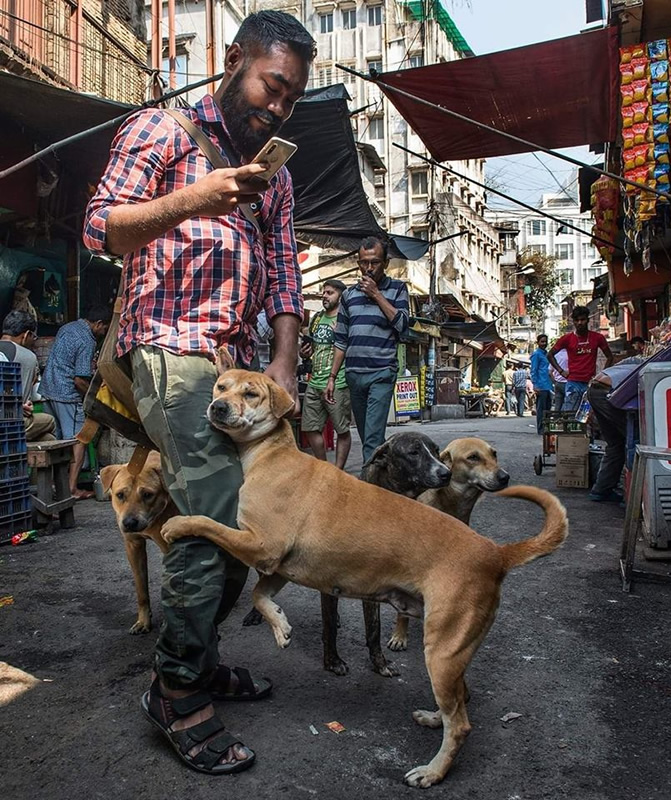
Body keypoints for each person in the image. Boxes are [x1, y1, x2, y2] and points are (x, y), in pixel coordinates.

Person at [83, 10, 314, 775]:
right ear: (232, 59)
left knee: (255, 527)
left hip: (240, 374)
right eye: (270, 86)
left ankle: (200, 658)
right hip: (168, 352)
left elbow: (284, 276)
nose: (276, 107)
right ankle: (178, 692)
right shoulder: (162, 130)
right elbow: (100, 230)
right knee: (214, 515)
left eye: (291, 98)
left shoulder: (275, 177)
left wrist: (284, 366)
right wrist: (195, 198)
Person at [325, 236, 409, 465]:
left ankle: (369, 492)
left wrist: (376, 294)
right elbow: (341, 339)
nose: (369, 268)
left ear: (386, 263)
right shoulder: (349, 296)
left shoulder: (397, 289)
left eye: (375, 262)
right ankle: (388, 475)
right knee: (369, 437)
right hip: (354, 375)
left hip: (382, 372)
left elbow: (403, 327)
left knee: (371, 439)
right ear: (357, 262)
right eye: (364, 262)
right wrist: (332, 377)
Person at [38, 306, 111, 497]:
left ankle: (56, 486)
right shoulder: (87, 340)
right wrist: (97, 398)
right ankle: (71, 488)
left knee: (56, 440)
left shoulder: (68, 327)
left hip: (48, 388)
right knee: (79, 440)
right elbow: (79, 380)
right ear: (99, 324)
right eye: (105, 329)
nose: (104, 334)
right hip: (66, 394)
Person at [300, 279, 351, 469]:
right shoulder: (317, 319)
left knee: (342, 430)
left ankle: (338, 470)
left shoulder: (345, 320)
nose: (324, 296)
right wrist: (304, 352)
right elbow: (311, 348)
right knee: (310, 428)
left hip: (338, 382)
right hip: (315, 381)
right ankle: (324, 467)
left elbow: (347, 348)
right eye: (324, 292)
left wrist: (333, 377)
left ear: (341, 296)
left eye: (330, 293)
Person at [587, 357, 644, 503]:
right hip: (609, 390)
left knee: (616, 444)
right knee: (634, 440)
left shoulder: (634, 362)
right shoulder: (652, 364)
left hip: (596, 388)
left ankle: (601, 490)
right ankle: (634, 495)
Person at [0, 311, 56, 442]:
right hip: (13, 422)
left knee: (47, 438)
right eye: (34, 337)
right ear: (26, 335)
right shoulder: (28, 356)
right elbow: (33, 384)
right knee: (50, 421)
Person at [548, 306, 614, 412]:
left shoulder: (598, 338)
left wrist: (601, 376)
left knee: (588, 416)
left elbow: (610, 357)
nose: (580, 323)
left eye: (582, 319)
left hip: (590, 384)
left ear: (588, 320)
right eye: (577, 320)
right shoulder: (567, 339)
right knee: (570, 415)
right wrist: (561, 371)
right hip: (573, 383)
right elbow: (550, 355)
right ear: (573, 322)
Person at [529, 334, 553, 434]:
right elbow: (533, 370)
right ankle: (541, 429)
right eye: (542, 341)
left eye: (545, 341)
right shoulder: (536, 354)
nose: (544, 343)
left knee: (548, 408)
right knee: (541, 409)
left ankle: (547, 428)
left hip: (548, 385)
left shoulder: (547, 354)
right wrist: (535, 385)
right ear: (538, 342)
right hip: (540, 385)